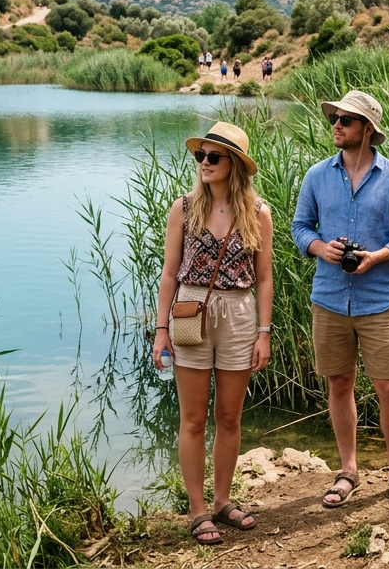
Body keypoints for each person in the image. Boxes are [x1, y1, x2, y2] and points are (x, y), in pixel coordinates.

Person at [291, 91, 389, 509]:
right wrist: (320, 248)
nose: (336, 124)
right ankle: (348, 470)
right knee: (339, 383)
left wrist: (379, 256)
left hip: (378, 297)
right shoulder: (317, 175)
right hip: (329, 297)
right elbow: (299, 227)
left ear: (368, 129)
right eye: (335, 118)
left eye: (346, 120)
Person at [152, 121, 275, 546]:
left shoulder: (258, 212)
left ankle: (222, 501)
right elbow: (169, 273)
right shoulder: (183, 208)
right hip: (190, 309)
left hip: (239, 314)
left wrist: (264, 332)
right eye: (200, 156)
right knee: (192, 418)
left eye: (213, 157)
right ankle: (197, 509)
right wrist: (160, 329)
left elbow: (263, 278)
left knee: (228, 416)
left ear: (234, 164)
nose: (204, 163)